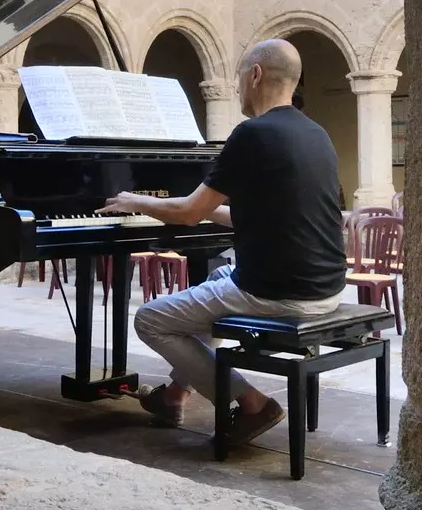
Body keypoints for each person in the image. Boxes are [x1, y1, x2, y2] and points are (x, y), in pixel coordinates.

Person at [99, 38, 348, 446]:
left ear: (255, 75)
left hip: (278, 293)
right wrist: (194, 206)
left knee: (150, 319)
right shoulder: (316, 133)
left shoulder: (252, 133)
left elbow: (188, 214)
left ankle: (252, 403)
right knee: (212, 289)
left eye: (238, 79)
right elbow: (248, 215)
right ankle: (175, 395)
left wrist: (133, 201)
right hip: (326, 286)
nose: (237, 89)